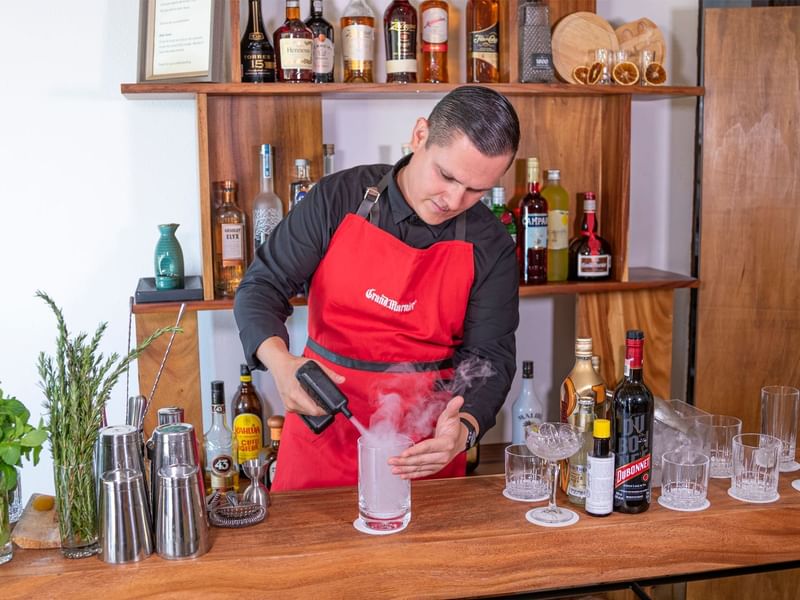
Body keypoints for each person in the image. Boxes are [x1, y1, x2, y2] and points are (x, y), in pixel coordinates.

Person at [234, 85, 520, 491]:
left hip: (420, 452)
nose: (455, 199)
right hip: (321, 431)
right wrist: (281, 366)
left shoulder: (491, 245)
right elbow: (261, 286)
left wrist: (464, 432)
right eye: (447, 175)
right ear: (419, 136)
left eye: (476, 190)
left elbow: (490, 358)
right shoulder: (338, 198)